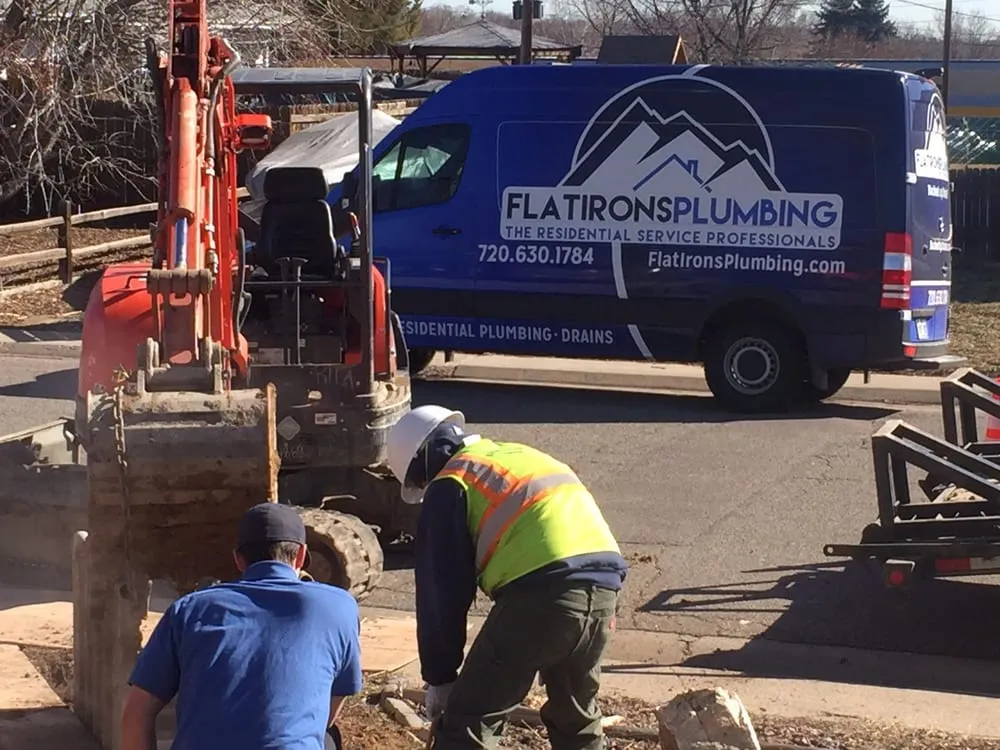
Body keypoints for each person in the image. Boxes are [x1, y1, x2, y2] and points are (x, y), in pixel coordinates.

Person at [386, 405, 629, 750]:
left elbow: (441, 591)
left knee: (469, 723)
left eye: (420, 480)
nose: (425, 488)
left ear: (423, 460)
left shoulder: (452, 480)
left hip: (543, 594)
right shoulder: (518, 455)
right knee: (576, 718)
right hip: (604, 590)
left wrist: (440, 677)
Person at [120, 502, 363, 750]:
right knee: (326, 737)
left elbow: (135, 716)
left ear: (238, 559)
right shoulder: (339, 607)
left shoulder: (190, 610)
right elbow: (327, 713)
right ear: (300, 555)